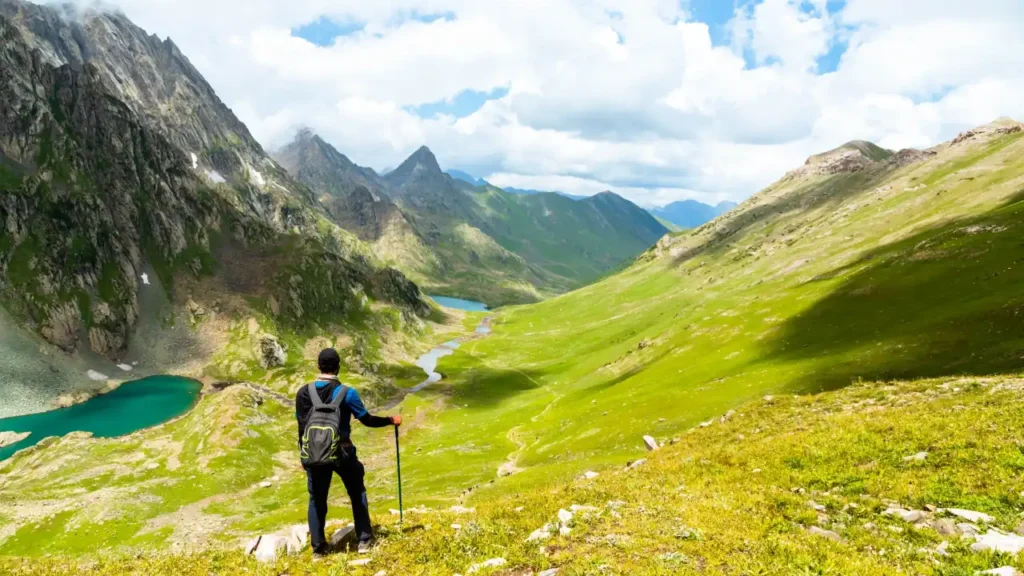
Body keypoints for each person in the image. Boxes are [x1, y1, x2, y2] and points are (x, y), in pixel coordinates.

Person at [295, 348, 402, 556]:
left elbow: (301, 426)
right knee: (356, 491)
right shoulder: (347, 393)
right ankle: (364, 540)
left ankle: (318, 550)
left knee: (317, 499)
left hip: (314, 453)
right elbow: (367, 420)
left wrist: (304, 455)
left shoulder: (303, 392)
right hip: (342, 451)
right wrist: (390, 421)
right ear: (338, 366)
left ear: (318, 366)